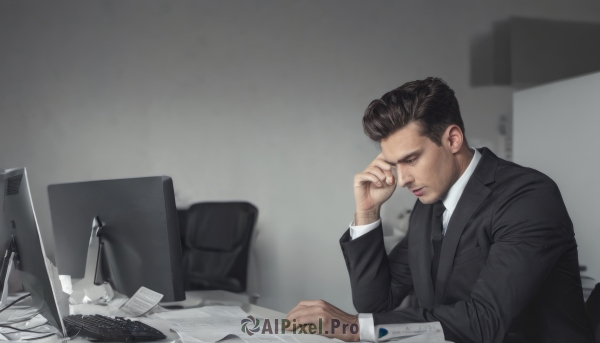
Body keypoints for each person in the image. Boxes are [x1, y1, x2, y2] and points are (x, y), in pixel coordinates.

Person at [286, 77, 593, 343]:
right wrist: (367, 212)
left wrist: (353, 326)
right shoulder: (428, 207)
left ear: (452, 139)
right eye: (394, 164)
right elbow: (377, 302)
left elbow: (485, 321)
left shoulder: (528, 197)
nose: (402, 180)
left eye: (411, 159)